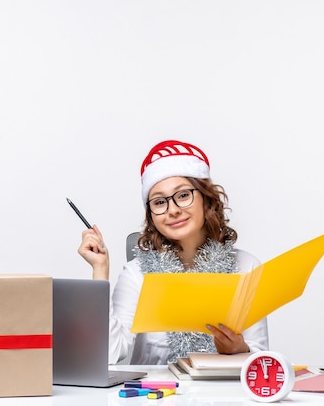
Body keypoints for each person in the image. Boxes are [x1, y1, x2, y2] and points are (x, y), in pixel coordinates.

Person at [78, 139, 269, 365]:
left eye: (183, 195)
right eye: (159, 202)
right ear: (152, 215)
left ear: (206, 198)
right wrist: (100, 270)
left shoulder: (247, 268)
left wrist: (241, 349)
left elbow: (262, 364)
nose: (173, 210)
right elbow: (109, 355)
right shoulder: (137, 275)